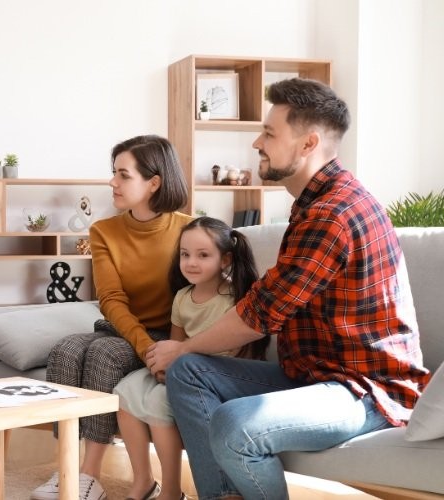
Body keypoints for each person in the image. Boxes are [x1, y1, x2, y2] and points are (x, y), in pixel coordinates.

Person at [146, 78, 431, 499]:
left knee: (236, 425)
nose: (257, 143)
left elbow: (260, 314)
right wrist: (184, 355)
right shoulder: (313, 203)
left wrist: (183, 346)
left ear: (308, 143)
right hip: (312, 376)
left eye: (269, 133)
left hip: (363, 390)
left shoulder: (332, 214)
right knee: (189, 372)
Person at [32, 135, 192, 500]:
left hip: (167, 334)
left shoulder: (190, 229)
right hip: (125, 329)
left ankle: (89, 474)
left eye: (123, 174)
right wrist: (145, 348)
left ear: (154, 182)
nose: (112, 182)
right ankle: (68, 467)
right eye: (113, 172)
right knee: (65, 351)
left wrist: (164, 350)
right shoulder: (103, 231)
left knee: (104, 355)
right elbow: (111, 299)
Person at [114, 217, 269, 500]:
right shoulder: (182, 297)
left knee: (157, 402)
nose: (191, 263)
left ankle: (171, 490)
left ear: (225, 260)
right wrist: (162, 367)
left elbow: (243, 355)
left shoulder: (235, 299)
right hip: (181, 368)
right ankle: (143, 482)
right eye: (185, 255)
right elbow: (175, 345)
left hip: (215, 377)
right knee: (124, 392)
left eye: (203, 255)